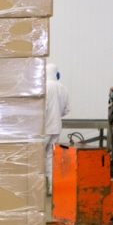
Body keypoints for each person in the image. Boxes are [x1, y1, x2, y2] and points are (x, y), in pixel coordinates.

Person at [45, 63, 70, 195]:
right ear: (57, 74)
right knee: (51, 158)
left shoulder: (44, 87)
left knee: (37, 158)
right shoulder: (63, 88)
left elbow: (40, 109)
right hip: (56, 128)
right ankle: (51, 188)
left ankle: (36, 187)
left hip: (43, 129)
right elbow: (67, 109)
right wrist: (56, 115)